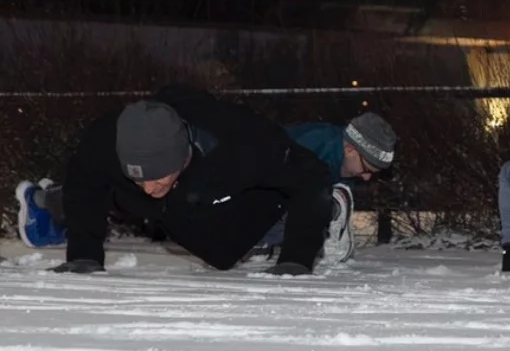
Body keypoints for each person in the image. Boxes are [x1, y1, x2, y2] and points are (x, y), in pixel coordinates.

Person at [14, 85, 347, 276]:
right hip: (159, 200)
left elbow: (312, 175)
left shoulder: (244, 142)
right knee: (111, 193)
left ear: (182, 155)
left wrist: (296, 260)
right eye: (140, 177)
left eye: (157, 176)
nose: (149, 185)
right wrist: (83, 255)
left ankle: (315, 214)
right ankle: (48, 202)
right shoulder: (106, 139)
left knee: (223, 251)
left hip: (227, 190)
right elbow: (84, 180)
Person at [285, 112, 397, 184]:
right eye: (366, 170)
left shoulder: (347, 169)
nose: (366, 178)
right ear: (350, 150)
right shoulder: (307, 147)